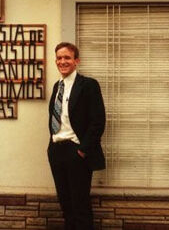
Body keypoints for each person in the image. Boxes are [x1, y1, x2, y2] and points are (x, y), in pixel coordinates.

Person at [48, 42, 106, 230]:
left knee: (80, 206)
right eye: (59, 58)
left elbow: (98, 122)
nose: (62, 61)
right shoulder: (57, 87)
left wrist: (82, 151)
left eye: (67, 57)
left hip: (77, 152)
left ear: (76, 61)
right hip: (57, 152)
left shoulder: (88, 85)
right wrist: (51, 149)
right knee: (66, 205)